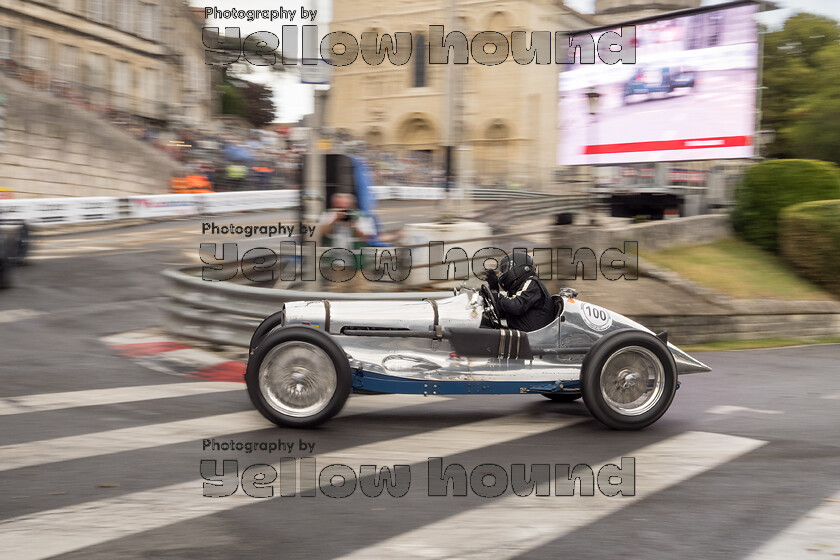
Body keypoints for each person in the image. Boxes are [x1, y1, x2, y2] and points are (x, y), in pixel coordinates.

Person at [485, 252, 556, 332]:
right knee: (484, 324)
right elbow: (503, 311)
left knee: (485, 331)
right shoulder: (516, 288)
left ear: (519, 267)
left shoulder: (532, 283)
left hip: (531, 339)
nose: (503, 273)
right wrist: (493, 289)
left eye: (505, 268)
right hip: (521, 335)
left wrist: (496, 296)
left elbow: (516, 306)